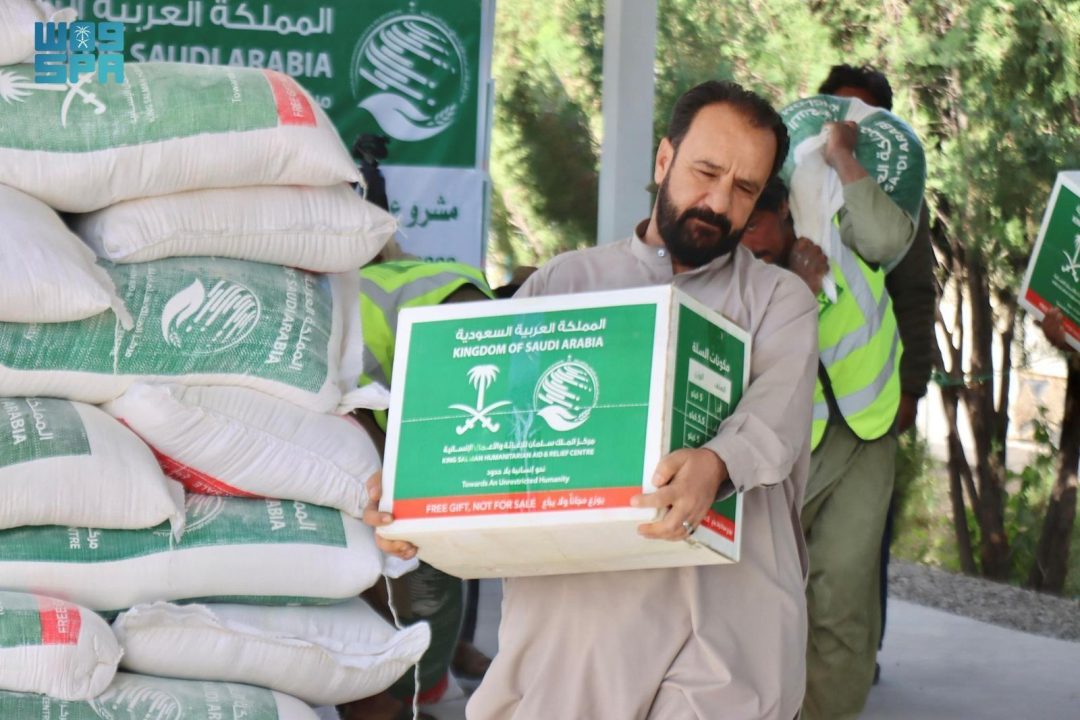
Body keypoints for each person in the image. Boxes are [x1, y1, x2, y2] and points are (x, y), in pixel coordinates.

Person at [368, 80, 819, 720]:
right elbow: (485, 435)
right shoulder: (564, 283)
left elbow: (774, 420)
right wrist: (411, 501)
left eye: (744, 189)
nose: (719, 202)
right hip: (577, 634)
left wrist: (715, 465)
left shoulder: (779, 300)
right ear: (664, 161)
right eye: (706, 172)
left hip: (726, 637)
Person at [742, 176, 902, 720]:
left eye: (753, 225)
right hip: (784, 459)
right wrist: (793, 291)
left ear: (785, 209)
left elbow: (890, 238)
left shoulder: (839, 223)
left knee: (842, 604)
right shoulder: (733, 275)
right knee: (765, 603)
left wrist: (841, 158)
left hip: (867, 437)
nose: (744, 244)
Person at [819, 63, 940, 686]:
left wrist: (912, 393)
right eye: (834, 112)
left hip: (872, 409)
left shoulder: (900, 206)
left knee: (860, 554)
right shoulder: (787, 190)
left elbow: (917, 299)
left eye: (862, 119)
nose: (843, 128)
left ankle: (860, 663)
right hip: (803, 414)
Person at [344, 259, 495, 720]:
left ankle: (411, 689)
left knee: (411, 547)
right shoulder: (367, 303)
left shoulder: (356, 306)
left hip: (440, 358)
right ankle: (417, 685)